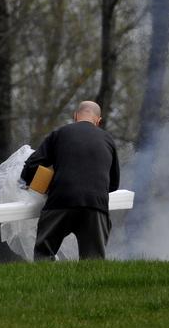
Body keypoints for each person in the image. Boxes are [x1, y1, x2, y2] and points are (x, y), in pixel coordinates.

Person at [20, 101, 120, 260]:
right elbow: (113, 184)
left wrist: (38, 184)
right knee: (93, 263)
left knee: (44, 255)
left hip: (61, 200)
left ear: (75, 116)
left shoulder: (60, 133)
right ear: (98, 121)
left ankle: (43, 284)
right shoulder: (108, 140)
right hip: (95, 205)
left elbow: (31, 166)